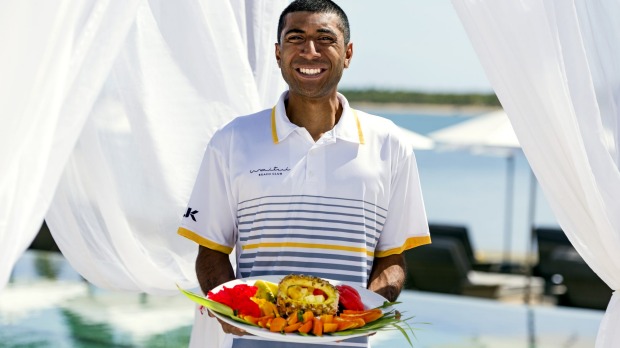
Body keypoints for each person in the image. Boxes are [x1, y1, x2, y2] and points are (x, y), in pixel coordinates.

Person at [178, 0, 430, 347]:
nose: (309, 51)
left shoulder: (390, 144)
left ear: (348, 53)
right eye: (296, 38)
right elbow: (211, 251)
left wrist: (368, 313)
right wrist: (230, 310)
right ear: (278, 53)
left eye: (325, 38)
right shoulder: (232, 140)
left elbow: (392, 258)